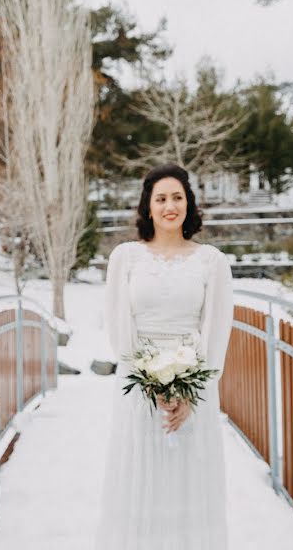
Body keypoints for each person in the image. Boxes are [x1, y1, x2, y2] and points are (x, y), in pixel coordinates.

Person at [96, 163, 234, 550]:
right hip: (138, 389)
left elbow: (217, 328)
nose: (170, 205)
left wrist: (190, 393)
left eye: (178, 197)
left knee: (187, 479)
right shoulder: (125, 257)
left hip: (195, 392)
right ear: (148, 207)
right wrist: (148, 381)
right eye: (161, 198)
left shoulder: (211, 261)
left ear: (189, 204)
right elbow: (118, 324)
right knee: (140, 478)